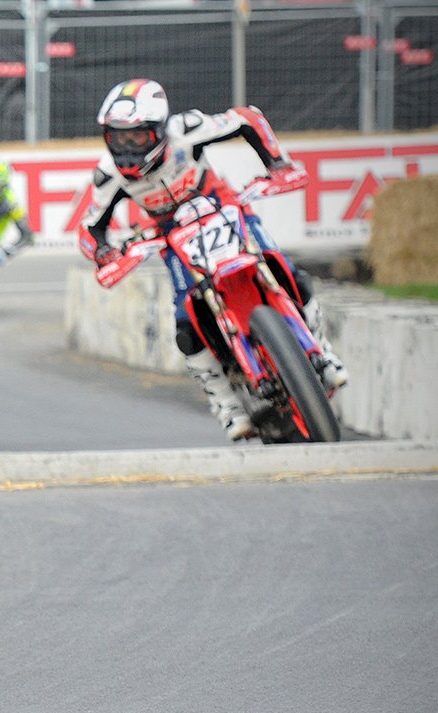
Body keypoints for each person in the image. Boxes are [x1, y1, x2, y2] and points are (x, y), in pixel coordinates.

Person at [77, 78, 348, 441]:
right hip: (171, 235)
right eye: (117, 138)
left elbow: (246, 118)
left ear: (159, 130)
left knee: (289, 274)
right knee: (185, 325)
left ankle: (324, 354)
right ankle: (227, 405)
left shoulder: (187, 129)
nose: (126, 147)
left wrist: (277, 163)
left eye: (137, 137)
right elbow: (89, 228)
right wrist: (105, 252)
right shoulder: (108, 175)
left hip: (224, 208)